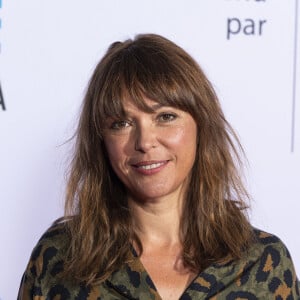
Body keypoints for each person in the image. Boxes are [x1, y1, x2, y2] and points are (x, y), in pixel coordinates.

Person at [18, 33, 299, 300]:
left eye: (165, 117)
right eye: (121, 123)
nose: (144, 142)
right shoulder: (59, 258)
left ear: (201, 126)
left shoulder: (264, 263)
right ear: (101, 141)